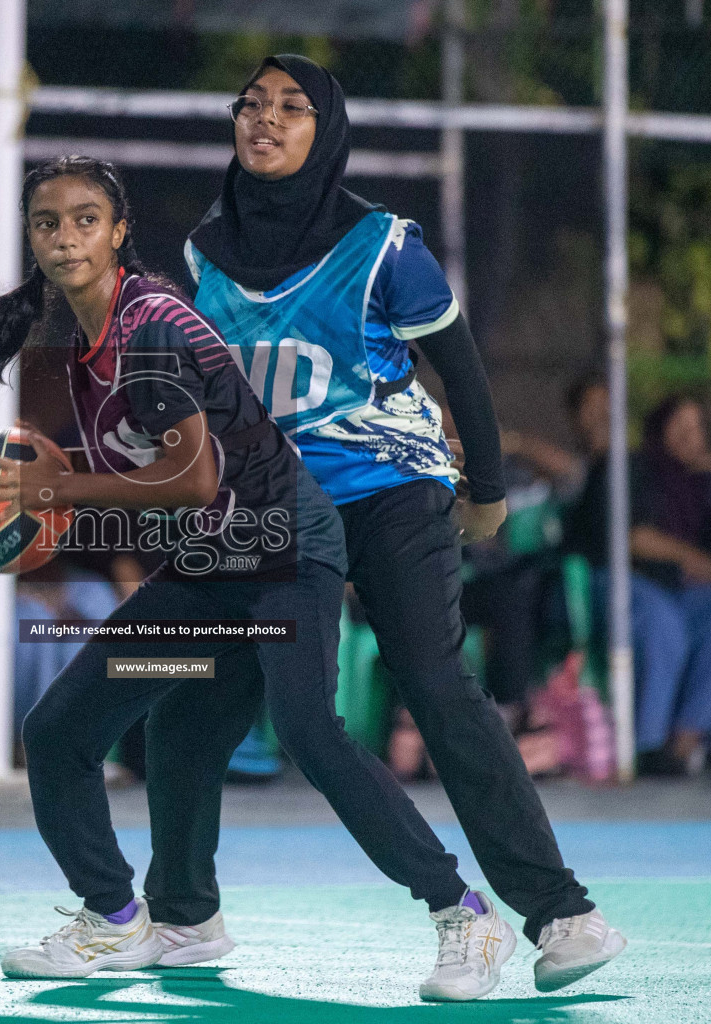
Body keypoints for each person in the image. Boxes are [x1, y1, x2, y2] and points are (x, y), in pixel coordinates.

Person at [0, 154, 501, 1000]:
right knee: (69, 730)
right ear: (31, 240)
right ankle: (148, 918)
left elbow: (193, 478)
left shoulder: (153, 325)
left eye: (85, 219)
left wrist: (57, 489)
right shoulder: (89, 343)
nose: (66, 236)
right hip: (212, 565)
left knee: (309, 730)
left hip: (285, 549)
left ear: (119, 233)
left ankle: (462, 910)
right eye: (47, 222)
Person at [171, 56, 623, 996]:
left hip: (391, 486)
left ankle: (561, 915)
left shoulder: (382, 244)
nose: (264, 120)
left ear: (326, 131)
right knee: (196, 694)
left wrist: (487, 487)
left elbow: (458, 367)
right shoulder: (205, 251)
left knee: (430, 677)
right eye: (250, 106)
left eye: (290, 108)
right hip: (280, 508)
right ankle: (180, 915)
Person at [619, 396, 711, 770]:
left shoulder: (706, 484)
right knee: (665, 625)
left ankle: (687, 740)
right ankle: (648, 743)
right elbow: (634, 537)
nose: (688, 436)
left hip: (684, 592)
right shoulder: (637, 468)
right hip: (634, 581)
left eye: (696, 428)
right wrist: (688, 556)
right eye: (678, 426)